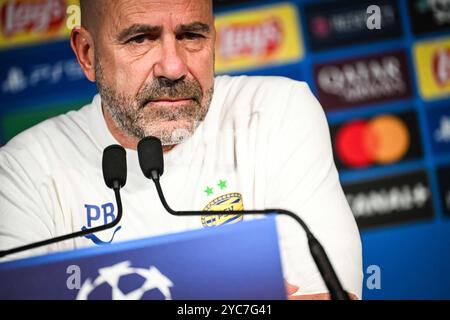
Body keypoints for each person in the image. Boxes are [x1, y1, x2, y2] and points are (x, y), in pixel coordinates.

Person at [0, 0, 362, 299]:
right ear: (87, 54)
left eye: (191, 35)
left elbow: (332, 295)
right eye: (141, 38)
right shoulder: (21, 172)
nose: (173, 68)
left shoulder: (277, 110)